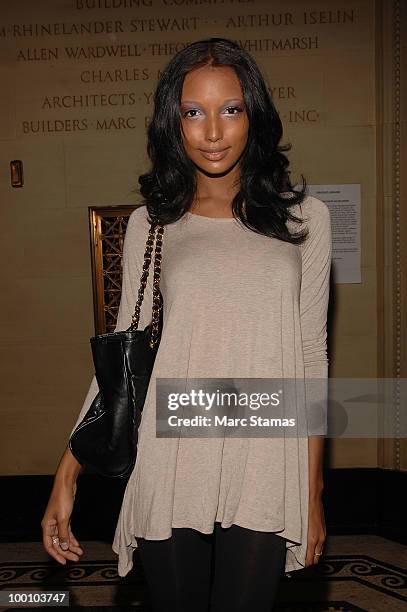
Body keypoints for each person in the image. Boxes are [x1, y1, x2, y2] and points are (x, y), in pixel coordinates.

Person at [41, 37, 331, 611]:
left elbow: (311, 356)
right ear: (172, 123)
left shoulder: (305, 218)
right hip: (172, 451)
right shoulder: (153, 224)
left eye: (230, 109)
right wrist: (67, 470)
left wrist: (313, 489)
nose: (214, 131)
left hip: (265, 454)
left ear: (255, 114)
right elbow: (120, 363)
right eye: (193, 112)